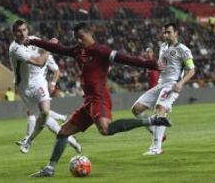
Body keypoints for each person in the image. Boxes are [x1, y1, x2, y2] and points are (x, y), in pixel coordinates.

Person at [26, 22, 171, 177]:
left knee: (105, 129)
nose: (78, 41)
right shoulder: (77, 51)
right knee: (63, 132)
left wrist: (151, 64)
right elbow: (58, 48)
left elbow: (125, 59)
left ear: (90, 34)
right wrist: (32, 41)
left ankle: (151, 121)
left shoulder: (101, 51)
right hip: (88, 101)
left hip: (99, 98)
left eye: (81, 37)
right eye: (76, 38)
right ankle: (50, 169)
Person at [9, 19, 81, 154]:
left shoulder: (35, 40)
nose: (22, 33)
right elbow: (39, 61)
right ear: (14, 33)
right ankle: (68, 137)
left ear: (27, 30)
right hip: (23, 88)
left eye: (24, 30)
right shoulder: (15, 49)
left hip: (39, 83)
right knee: (44, 118)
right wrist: (50, 46)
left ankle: (29, 141)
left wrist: (49, 46)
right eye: (18, 31)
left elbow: (50, 62)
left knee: (45, 113)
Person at [131, 22, 195, 155]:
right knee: (136, 109)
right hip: (160, 84)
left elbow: (191, 70)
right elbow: (163, 64)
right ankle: (156, 132)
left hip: (172, 84)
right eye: (164, 32)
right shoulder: (162, 47)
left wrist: (181, 83)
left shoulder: (183, 49)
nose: (165, 34)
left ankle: (156, 148)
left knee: (160, 109)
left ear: (176, 33)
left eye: (169, 32)